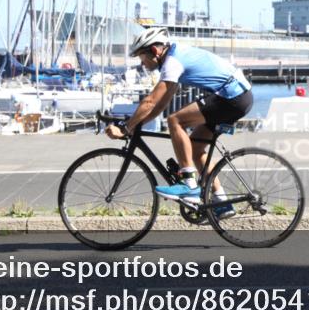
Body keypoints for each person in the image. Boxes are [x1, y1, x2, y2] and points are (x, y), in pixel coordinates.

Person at [105, 28, 253, 216]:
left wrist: (126, 129)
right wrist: (138, 124)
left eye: (141, 57)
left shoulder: (172, 62)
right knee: (195, 149)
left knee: (175, 120)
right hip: (239, 97)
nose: (141, 63)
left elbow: (150, 101)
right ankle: (221, 202)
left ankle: (189, 184)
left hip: (231, 96)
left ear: (154, 51)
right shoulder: (175, 57)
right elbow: (160, 104)